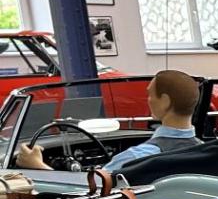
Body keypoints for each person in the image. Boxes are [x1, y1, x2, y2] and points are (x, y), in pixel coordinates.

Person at [18, 69, 201, 174]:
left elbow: (90, 190)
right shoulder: (206, 150)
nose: (148, 100)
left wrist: (38, 166)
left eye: (150, 95)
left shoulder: (138, 157)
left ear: (165, 101)